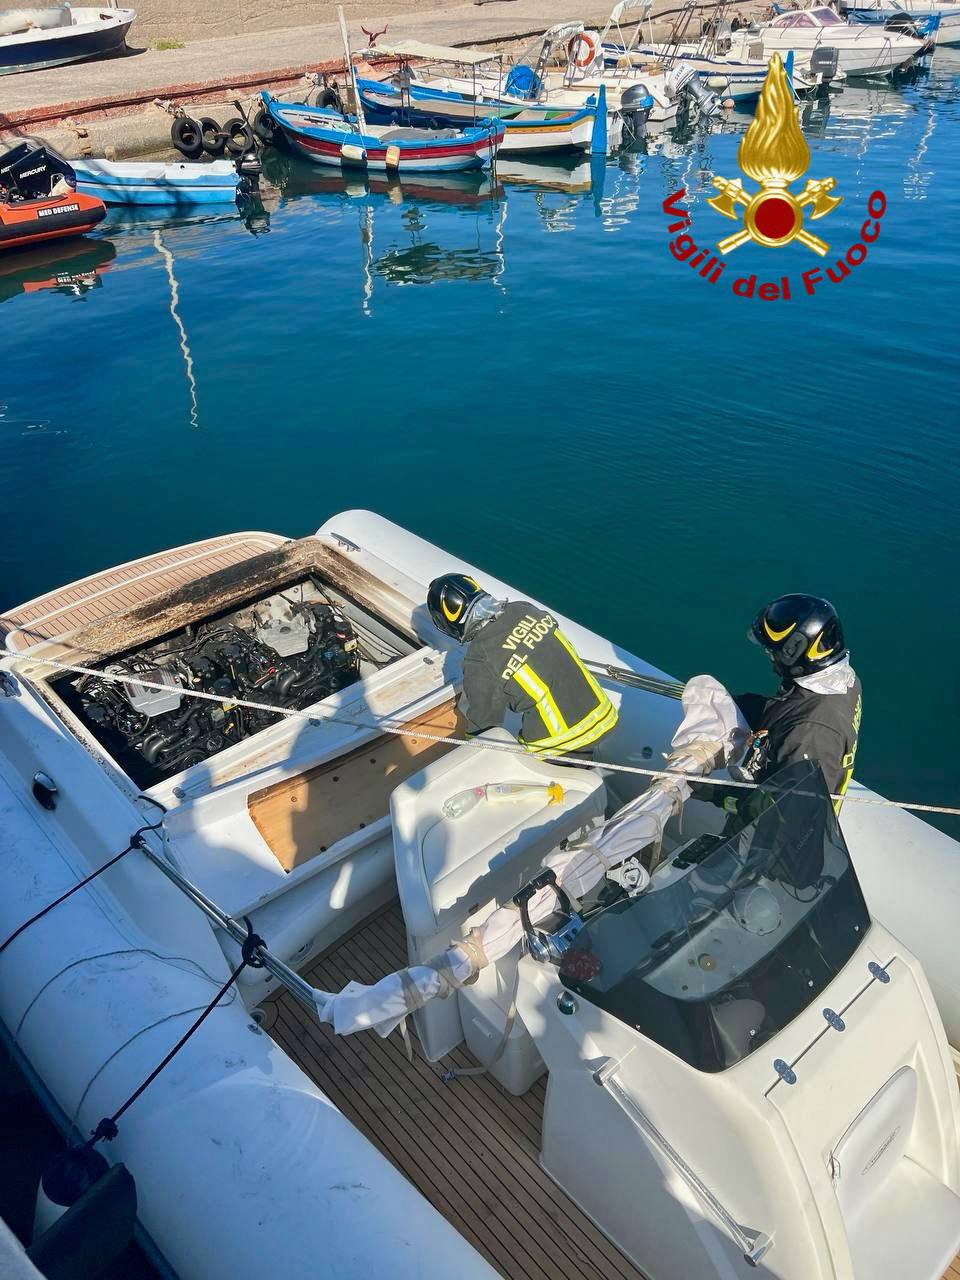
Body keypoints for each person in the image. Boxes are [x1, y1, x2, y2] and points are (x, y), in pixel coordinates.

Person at [426, 573, 618, 757]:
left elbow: (483, 728)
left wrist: (471, 751)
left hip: (556, 743)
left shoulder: (479, 660)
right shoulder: (524, 609)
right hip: (603, 713)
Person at [712, 593, 862, 820]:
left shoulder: (811, 732)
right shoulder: (843, 683)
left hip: (770, 838)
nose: (769, 655)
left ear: (795, 650)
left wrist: (714, 793)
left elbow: (784, 813)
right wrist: (739, 705)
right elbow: (794, 712)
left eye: (773, 651)